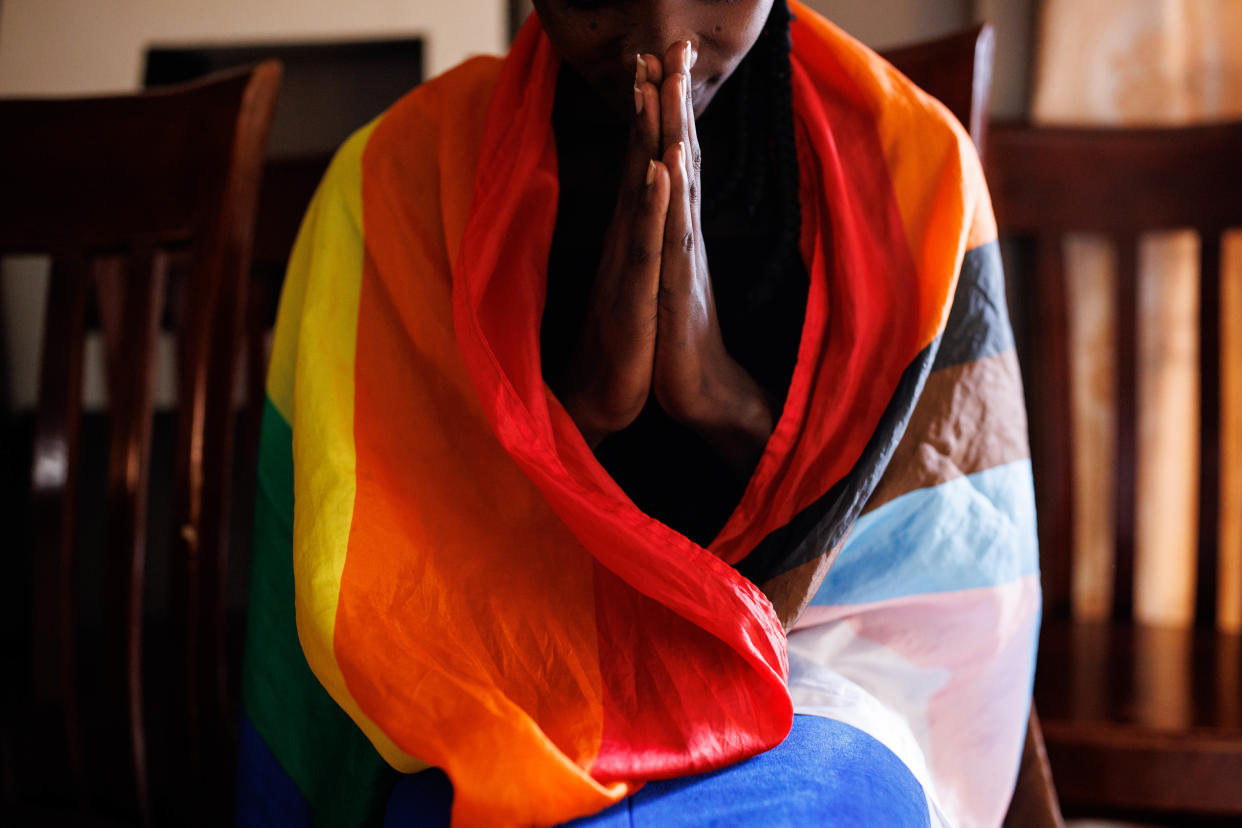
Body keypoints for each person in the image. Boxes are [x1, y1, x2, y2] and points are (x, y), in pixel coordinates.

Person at [237, 1, 1040, 826]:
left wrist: (721, 400)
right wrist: (579, 413)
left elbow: (929, 573)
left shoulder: (914, 167)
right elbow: (386, 580)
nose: (665, 37)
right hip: (503, 683)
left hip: (820, 689)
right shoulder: (396, 179)